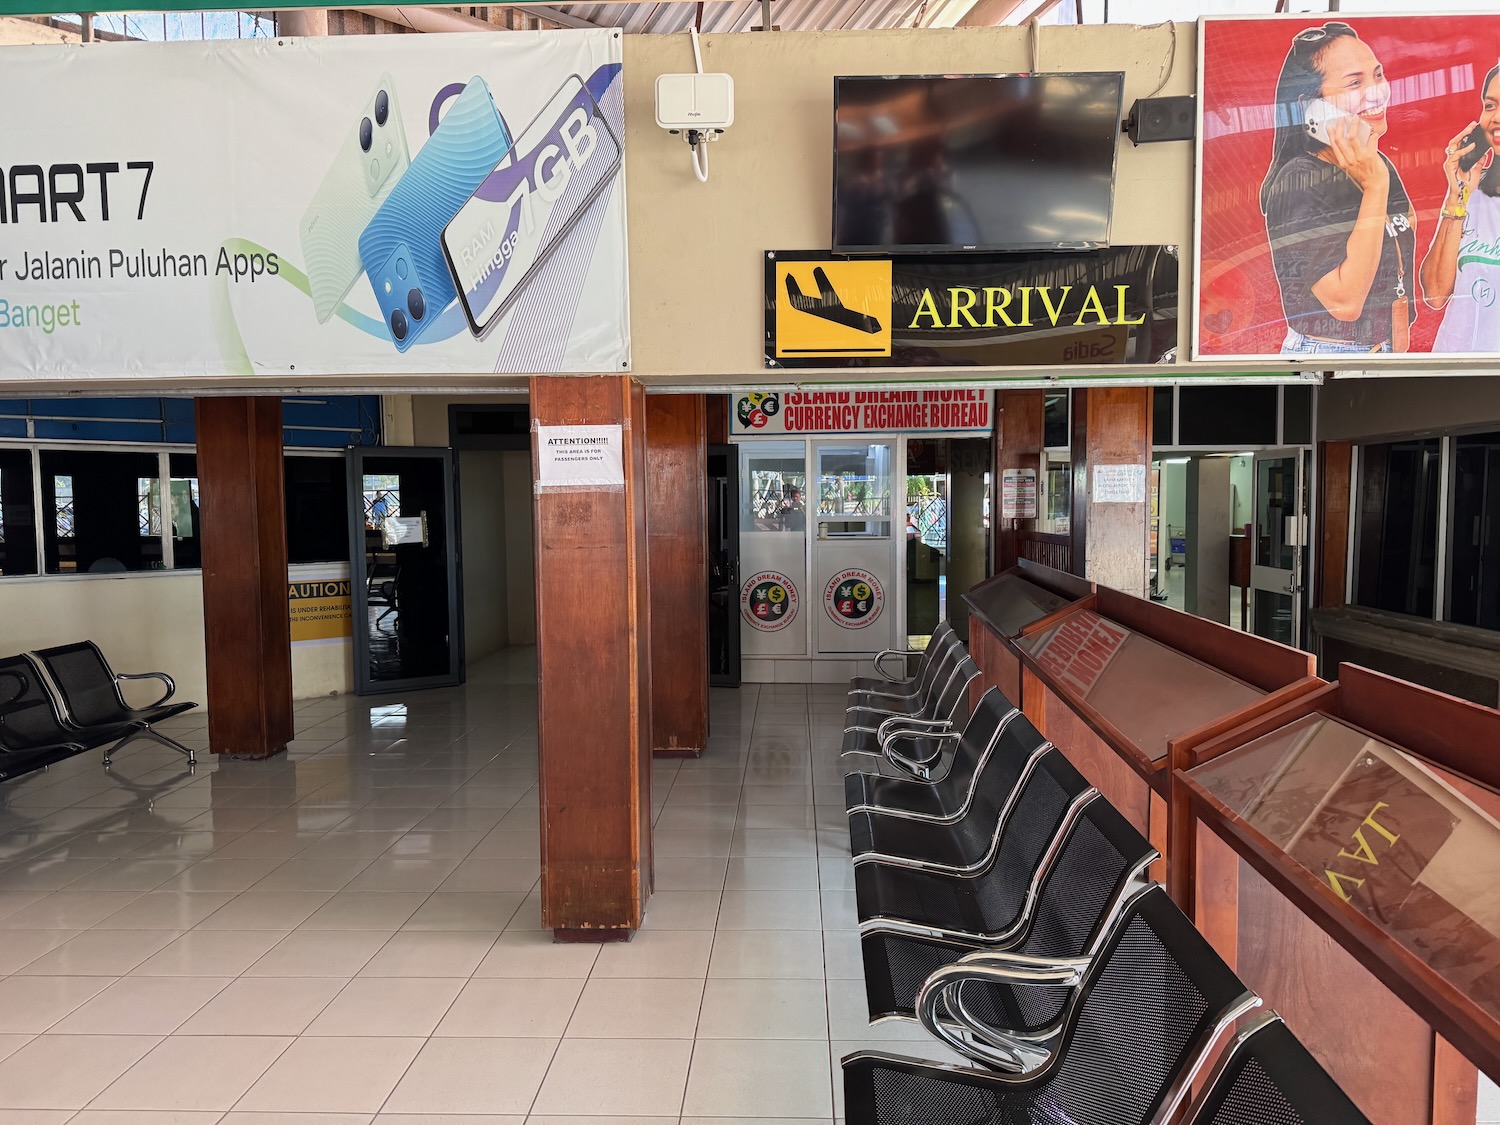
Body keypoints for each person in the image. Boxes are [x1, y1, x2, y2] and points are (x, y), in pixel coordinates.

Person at [1260, 21, 1416, 354]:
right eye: (1355, 83)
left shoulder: (1378, 165)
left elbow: (1412, 268)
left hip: (1389, 351)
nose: (1376, 92)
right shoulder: (1298, 180)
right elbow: (1345, 303)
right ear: (1312, 107)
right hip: (1332, 356)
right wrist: (1374, 187)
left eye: (1377, 75)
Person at [1421, 65, 1500, 352]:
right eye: (1490, 105)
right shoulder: (1472, 194)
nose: (1497, 117)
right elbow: (1435, 294)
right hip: (1456, 374)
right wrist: (1458, 195)